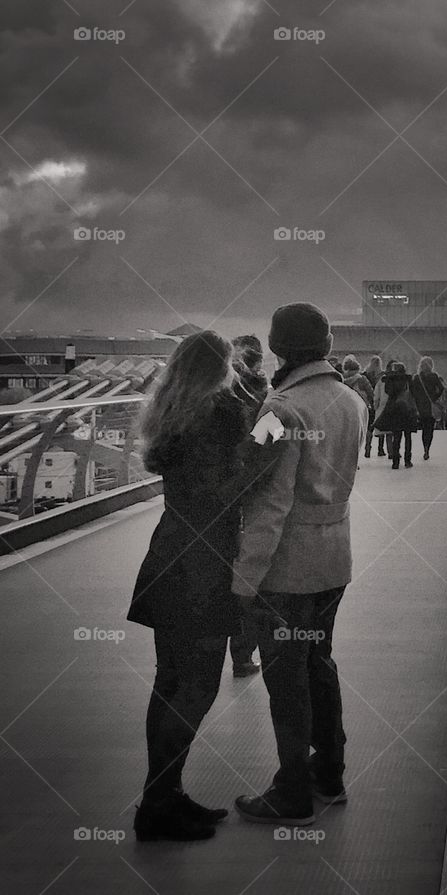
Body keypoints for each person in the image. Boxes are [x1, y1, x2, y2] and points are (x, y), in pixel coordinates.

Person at [232, 303, 367, 826]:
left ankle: (290, 794)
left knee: (286, 679)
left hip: (287, 568)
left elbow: (266, 501)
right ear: (327, 345)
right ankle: (329, 774)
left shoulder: (279, 411)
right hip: (335, 557)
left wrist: (244, 579)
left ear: (276, 348)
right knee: (319, 663)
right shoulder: (353, 401)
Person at [128, 331, 247, 842]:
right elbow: (226, 489)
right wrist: (265, 455)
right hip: (207, 562)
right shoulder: (222, 412)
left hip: (169, 550)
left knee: (169, 680)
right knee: (199, 685)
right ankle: (158, 803)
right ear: (222, 366)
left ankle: (165, 794)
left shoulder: (170, 411)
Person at [229, 334, 269, 678]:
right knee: (252, 573)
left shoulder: (216, 395)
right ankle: (243, 654)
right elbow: (266, 445)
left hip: (221, 499)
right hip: (255, 496)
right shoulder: (269, 397)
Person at [374, 361, 418, 469]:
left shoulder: (390, 380)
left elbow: (388, 392)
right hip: (407, 410)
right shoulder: (408, 380)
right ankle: (407, 460)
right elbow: (414, 394)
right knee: (408, 437)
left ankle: (395, 461)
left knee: (396, 436)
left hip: (395, 410)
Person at [409, 356, 445, 460]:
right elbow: (441, 388)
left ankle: (424, 446)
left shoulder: (416, 377)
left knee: (424, 428)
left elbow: (412, 391)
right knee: (429, 429)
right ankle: (427, 448)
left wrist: (417, 399)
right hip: (430, 405)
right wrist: (434, 397)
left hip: (420, 406)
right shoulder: (434, 376)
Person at [342, 355, 375, 459]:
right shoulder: (362, 379)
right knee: (367, 429)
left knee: (349, 432)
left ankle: (349, 454)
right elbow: (371, 393)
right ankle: (367, 446)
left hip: (346, 409)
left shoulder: (342, 380)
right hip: (362, 408)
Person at [365, 356, 386, 456]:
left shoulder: (366, 374)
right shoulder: (382, 375)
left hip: (369, 404)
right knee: (381, 427)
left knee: (369, 427)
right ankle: (380, 449)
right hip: (379, 404)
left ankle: (367, 448)